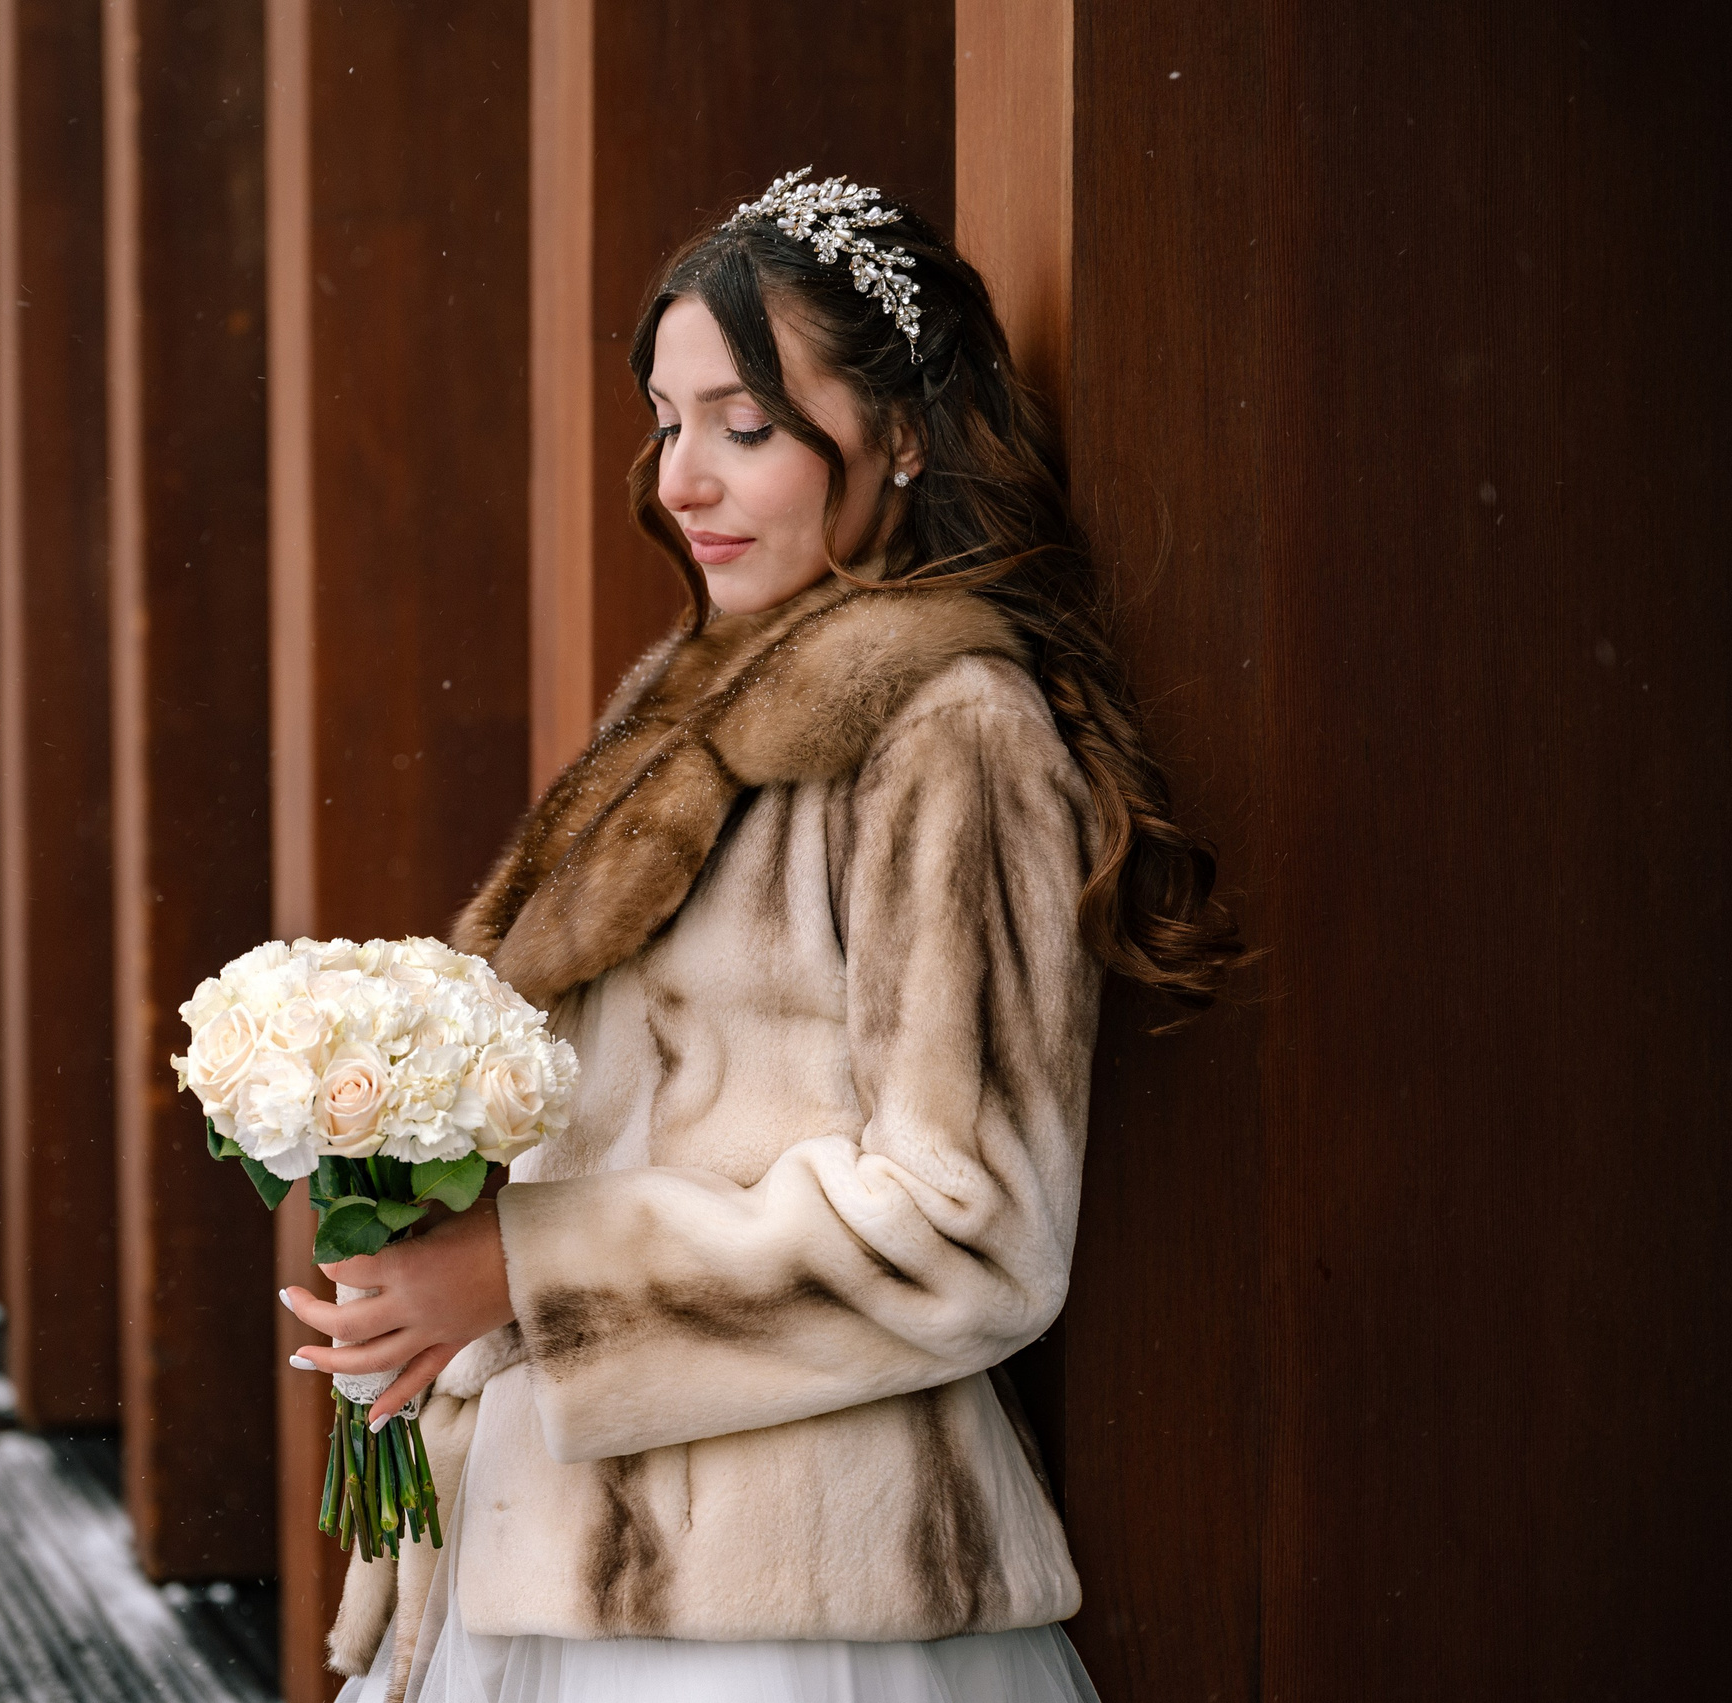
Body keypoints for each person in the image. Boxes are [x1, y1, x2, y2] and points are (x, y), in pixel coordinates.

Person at [287, 171, 1247, 1702]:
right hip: (556, 1551)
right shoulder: (684, 711)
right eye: (670, 425)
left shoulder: (952, 731)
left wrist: (529, 1273)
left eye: (744, 425)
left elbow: (972, 1225)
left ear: (908, 433)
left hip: (789, 1598)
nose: (682, 480)